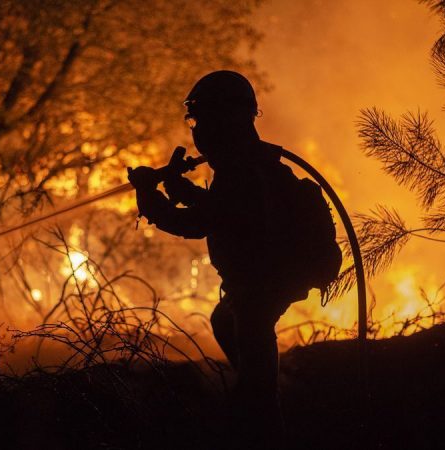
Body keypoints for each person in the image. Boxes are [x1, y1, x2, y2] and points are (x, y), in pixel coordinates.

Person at [127, 70, 316, 447]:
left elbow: (195, 224)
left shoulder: (243, 172)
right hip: (255, 285)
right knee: (224, 321)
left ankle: (261, 420)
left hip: (259, 289)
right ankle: (267, 398)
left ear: (223, 119)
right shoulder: (246, 166)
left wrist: (148, 196)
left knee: (253, 393)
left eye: (200, 119)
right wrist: (182, 188)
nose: (197, 129)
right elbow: (226, 212)